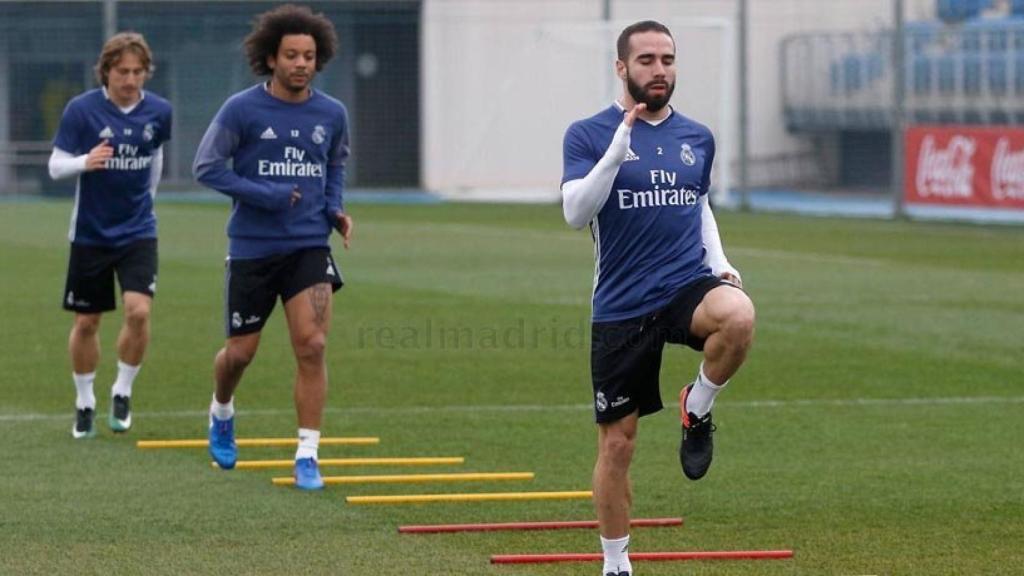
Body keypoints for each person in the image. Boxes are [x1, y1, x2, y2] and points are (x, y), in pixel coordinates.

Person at [560, 20, 756, 576]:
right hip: (621, 305)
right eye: (646, 60)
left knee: (738, 316)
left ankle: (698, 406)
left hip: (684, 287)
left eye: (667, 59)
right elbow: (576, 213)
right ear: (622, 68)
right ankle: (616, 562)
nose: (659, 70)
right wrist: (616, 153)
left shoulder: (697, 137)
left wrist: (719, 264)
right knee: (618, 446)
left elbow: (697, 205)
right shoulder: (588, 134)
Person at [193, 3, 352, 490]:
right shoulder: (241, 109)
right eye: (291, 55)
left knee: (313, 345)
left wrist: (334, 210)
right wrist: (266, 195)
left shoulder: (332, 113)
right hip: (252, 247)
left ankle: (307, 452)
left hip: (308, 245)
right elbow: (207, 166)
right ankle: (222, 410)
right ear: (270, 58)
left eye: (308, 55)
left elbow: (335, 166)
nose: (301, 63)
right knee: (239, 355)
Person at [49, 32, 173, 439]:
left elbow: (155, 159)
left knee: (138, 311)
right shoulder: (82, 111)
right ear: (106, 71)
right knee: (87, 322)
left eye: (139, 72)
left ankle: (122, 390)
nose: (131, 80)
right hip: (90, 233)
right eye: (123, 71)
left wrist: (147, 205)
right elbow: (55, 166)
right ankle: (85, 400)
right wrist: (87, 160)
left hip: (138, 230)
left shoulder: (159, 111)